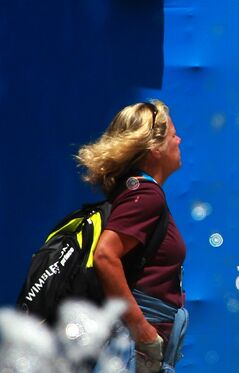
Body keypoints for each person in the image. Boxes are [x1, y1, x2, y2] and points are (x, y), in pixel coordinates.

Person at [76, 100, 187, 373]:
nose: (179, 139)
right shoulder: (146, 195)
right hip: (136, 351)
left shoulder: (136, 191)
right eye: (173, 135)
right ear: (154, 149)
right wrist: (144, 332)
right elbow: (105, 255)